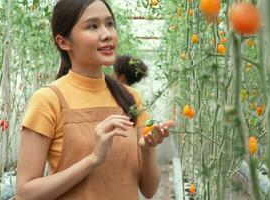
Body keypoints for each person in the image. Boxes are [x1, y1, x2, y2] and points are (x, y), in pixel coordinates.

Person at [16, 1, 174, 199]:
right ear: (64, 42)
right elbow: (25, 193)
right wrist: (93, 159)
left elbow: (149, 190)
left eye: (109, 24)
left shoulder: (131, 99)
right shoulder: (48, 100)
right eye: (93, 26)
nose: (107, 33)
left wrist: (148, 149)